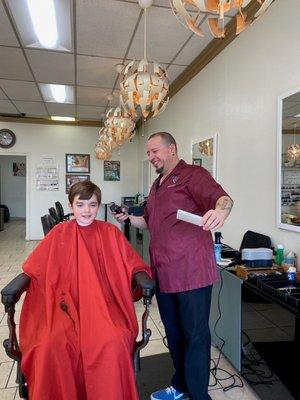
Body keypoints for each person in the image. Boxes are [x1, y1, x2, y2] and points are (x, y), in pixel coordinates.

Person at [115, 132, 233, 400]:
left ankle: (199, 395)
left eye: (155, 151)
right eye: (148, 153)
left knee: (196, 337)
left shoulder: (193, 174)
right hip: (164, 273)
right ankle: (180, 385)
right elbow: (148, 222)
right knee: (175, 335)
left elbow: (224, 199)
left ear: (172, 149)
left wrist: (219, 213)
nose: (151, 157)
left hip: (192, 273)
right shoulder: (157, 185)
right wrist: (128, 218)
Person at [19, 181, 151, 400]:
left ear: (98, 206)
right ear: (71, 206)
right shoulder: (58, 233)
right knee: (49, 344)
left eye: (92, 204)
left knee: (113, 340)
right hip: (63, 306)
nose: (87, 210)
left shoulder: (110, 232)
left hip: (103, 304)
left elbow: (132, 263)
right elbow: (35, 267)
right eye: (80, 205)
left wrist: (142, 278)